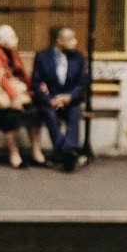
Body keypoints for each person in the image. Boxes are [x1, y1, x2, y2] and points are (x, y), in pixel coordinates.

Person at [0, 23, 46, 169]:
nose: (16, 39)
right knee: (11, 115)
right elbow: (2, 80)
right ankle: (14, 154)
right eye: (12, 37)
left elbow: (23, 76)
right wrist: (15, 98)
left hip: (12, 96)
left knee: (35, 111)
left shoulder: (13, 54)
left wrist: (33, 89)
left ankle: (36, 153)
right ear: (2, 41)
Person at [32, 25, 89, 171]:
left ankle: (66, 150)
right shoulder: (42, 56)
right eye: (70, 39)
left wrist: (69, 97)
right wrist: (50, 99)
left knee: (74, 113)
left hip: (70, 100)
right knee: (50, 115)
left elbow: (82, 83)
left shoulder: (79, 57)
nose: (75, 42)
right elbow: (36, 82)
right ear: (59, 40)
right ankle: (68, 152)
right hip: (49, 100)